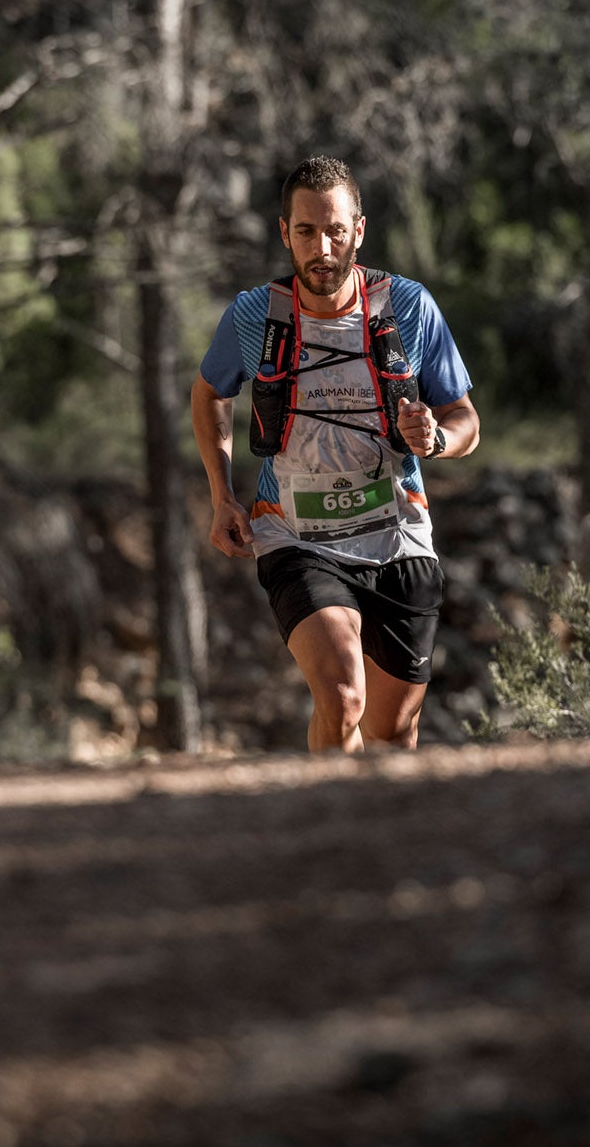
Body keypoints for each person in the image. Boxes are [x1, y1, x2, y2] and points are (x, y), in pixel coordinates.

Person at [191, 156, 479, 751]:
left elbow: (465, 419)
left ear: (360, 230)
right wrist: (221, 495)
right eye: (306, 232)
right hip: (296, 535)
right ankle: (324, 820)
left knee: (390, 729)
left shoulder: (409, 308)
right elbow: (209, 395)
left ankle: (376, 838)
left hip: (397, 531)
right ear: (284, 232)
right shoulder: (254, 316)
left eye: (336, 231)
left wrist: (439, 439)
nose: (322, 248)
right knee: (343, 697)